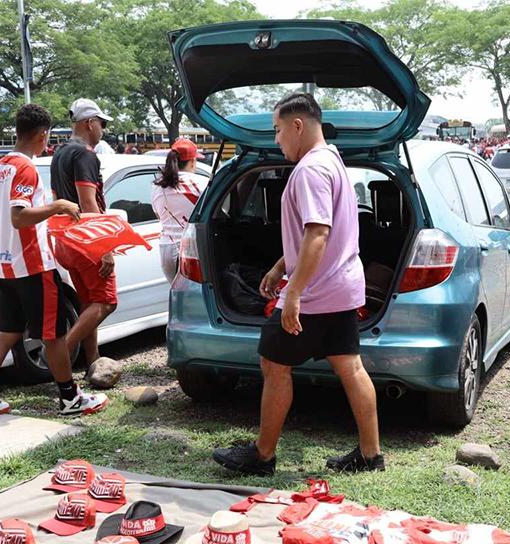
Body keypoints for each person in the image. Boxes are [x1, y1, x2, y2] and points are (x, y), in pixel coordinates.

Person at [212, 93, 383, 476]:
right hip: (341, 287)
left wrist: (294, 293)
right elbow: (312, 235)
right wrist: (279, 267)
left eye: (277, 130)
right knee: (351, 368)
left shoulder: (309, 170)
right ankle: (371, 456)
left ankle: (263, 456)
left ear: (297, 125)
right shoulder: (333, 161)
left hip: (317, 294)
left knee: (273, 364)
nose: (276, 140)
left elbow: (318, 234)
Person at [0, 103, 108, 419]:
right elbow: (19, 218)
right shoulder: (26, 168)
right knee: (53, 334)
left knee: (9, 331)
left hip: (3, 265)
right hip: (32, 267)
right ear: (42, 135)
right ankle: (70, 399)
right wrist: (57, 206)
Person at [50, 98, 118, 370]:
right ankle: (61, 356)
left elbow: (58, 198)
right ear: (90, 123)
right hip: (88, 241)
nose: (102, 129)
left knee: (88, 302)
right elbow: (88, 203)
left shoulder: (59, 152)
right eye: (101, 124)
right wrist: (106, 248)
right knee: (105, 303)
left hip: (66, 239)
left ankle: (93, 360)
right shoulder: (86, 154)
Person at [151, 137, 207, 283]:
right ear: (193, 161)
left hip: (166, 250)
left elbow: (158, 214)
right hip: (191, 250)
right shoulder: (201, 183)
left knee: (178, 295)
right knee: (195, 298)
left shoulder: (157, 186)